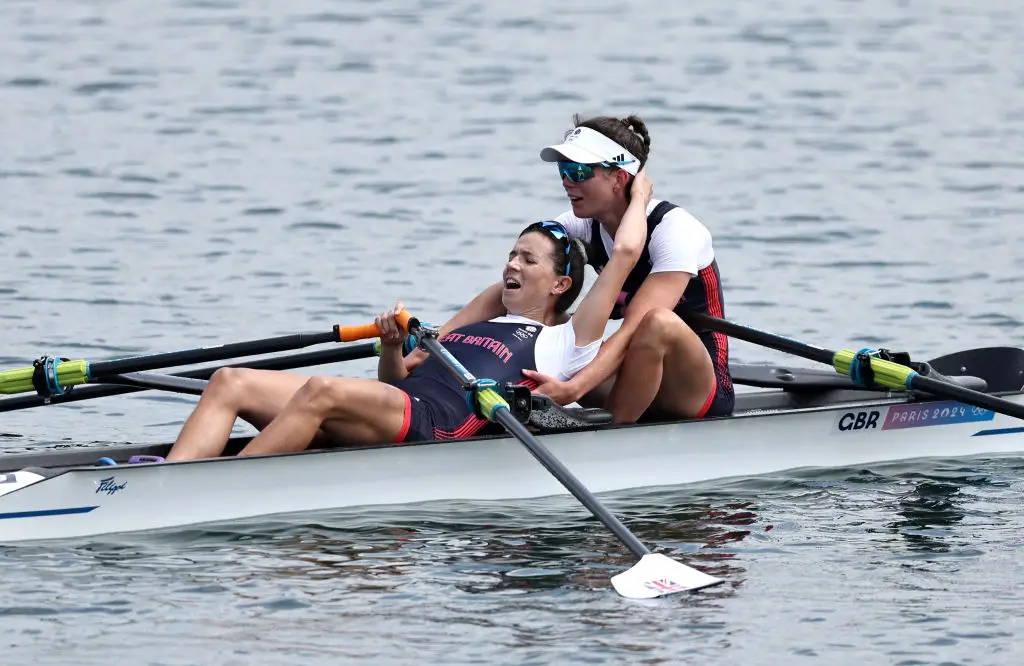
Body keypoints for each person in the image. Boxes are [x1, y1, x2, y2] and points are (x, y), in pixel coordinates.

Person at [165, 177, 651, 461]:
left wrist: (638, 190)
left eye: (528, 260)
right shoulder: (489, 309)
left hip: (434, 424)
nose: (511, 265)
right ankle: (171, 480)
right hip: (399, 402)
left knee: (322, 390)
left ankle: (221, 488)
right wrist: (393, 346)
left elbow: (627, 251)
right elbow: (398, 376)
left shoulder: (568, 338)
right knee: (229, 380)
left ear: (561, 285)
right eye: (510, 254)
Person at [411, 114, 733, 424]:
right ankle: (434, 352)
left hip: (694, 388)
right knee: (518, 287)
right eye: (563, 169)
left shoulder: (675, 231)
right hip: (632, 375)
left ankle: (615, 435)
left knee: (656, 323)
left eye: (578, 171)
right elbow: (526, 271)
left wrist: (574, 388)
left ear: (619, 177)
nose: (566, 181)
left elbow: (634, 328)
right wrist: (434, 340)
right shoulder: (578, 224)